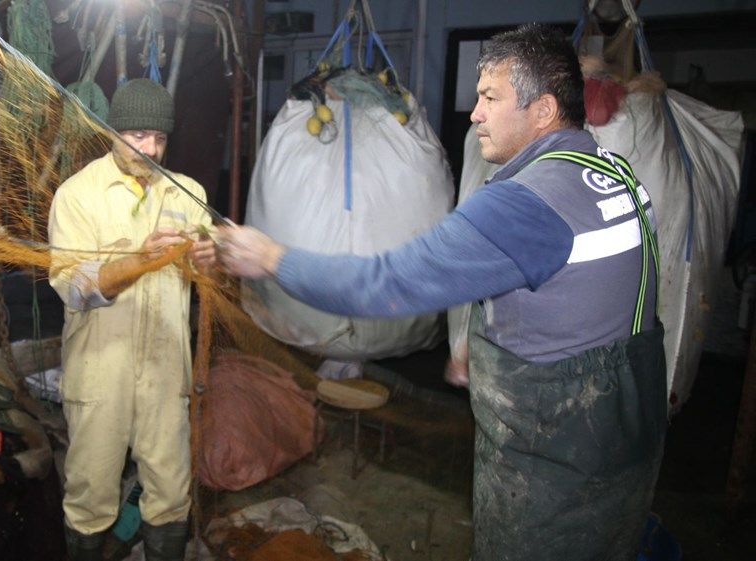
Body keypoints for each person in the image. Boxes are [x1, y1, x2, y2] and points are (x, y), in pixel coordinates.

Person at [219, 24, 667, 561]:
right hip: (630, 442)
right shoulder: (614, 173)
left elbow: (384, 283)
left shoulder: (522, 204)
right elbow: (570, 288)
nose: (474, 113)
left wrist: (270, 257)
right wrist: (484, 345)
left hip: (555, 469)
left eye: (490, 98)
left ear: (543, 110)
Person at [48, 78, 215, 561]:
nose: (150, 148)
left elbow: (211, 277)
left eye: (159, 138)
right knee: (90, 491)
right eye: (138, 135)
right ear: (112, 131)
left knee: (170, 491)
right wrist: (139, 260)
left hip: (166, 371)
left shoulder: (189, 193)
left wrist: (211, 258)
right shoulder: (78, 195)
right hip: (101, 369)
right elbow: (73, 287)